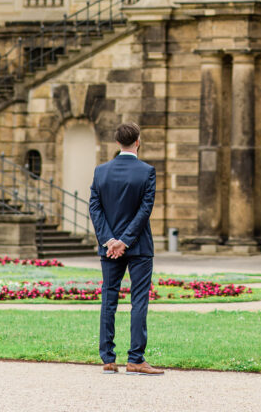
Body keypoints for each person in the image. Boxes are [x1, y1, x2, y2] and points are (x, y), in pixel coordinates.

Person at [89, 121, 163, 375]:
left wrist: (110, 240)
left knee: (109, 299)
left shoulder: (101, 171)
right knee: (139, 300)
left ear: (117, 143)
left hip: (109, 248)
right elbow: (145, 210)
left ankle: (108, 358)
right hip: (139, 245)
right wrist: (125, 240)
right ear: (138, 142)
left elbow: (95, 208)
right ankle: (135, 359)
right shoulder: (147, 171)